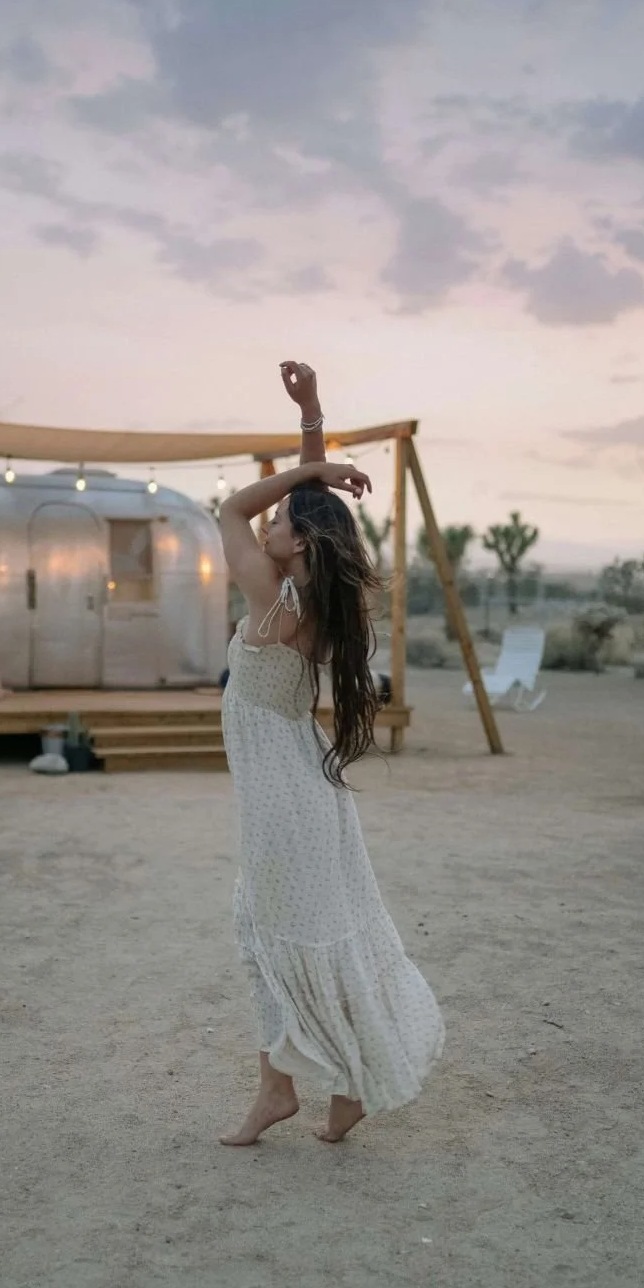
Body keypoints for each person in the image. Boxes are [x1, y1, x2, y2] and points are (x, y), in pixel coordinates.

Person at [217, 361, 445, 1146]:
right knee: (288, 932)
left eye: (280, 520)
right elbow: (289, 508)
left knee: (268, 934)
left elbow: (227, 507)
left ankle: (278, 1088)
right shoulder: (315, 599)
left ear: (298, 543)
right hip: (301, 793)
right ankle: (336, 1087)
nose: (266, 523)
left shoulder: (269, 597)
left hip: (285, 799)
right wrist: (312, 416)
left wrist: (313, 468)